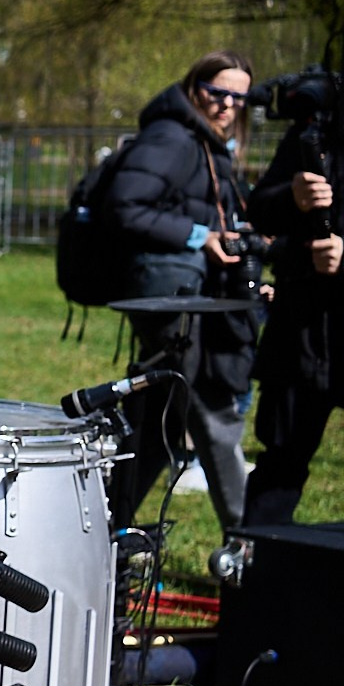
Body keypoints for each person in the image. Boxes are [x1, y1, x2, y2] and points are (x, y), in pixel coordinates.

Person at [99, 52, 256, 534]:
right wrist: (198, 236)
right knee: (208, 408)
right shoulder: (172, 136)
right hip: (171, 300)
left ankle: (105, 526)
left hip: (189, 295)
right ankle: (248, 542)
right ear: (194, 88)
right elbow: (122, 205)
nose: (227, 105)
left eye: (239, 98)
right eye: (218, 92)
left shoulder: (202, 141)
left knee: (157, 422)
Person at [244, 99, 344, 521]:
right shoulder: (322, 123)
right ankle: (257, 576)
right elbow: (261, 206)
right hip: (309, 325)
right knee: (280, 462)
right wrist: (292, 196)